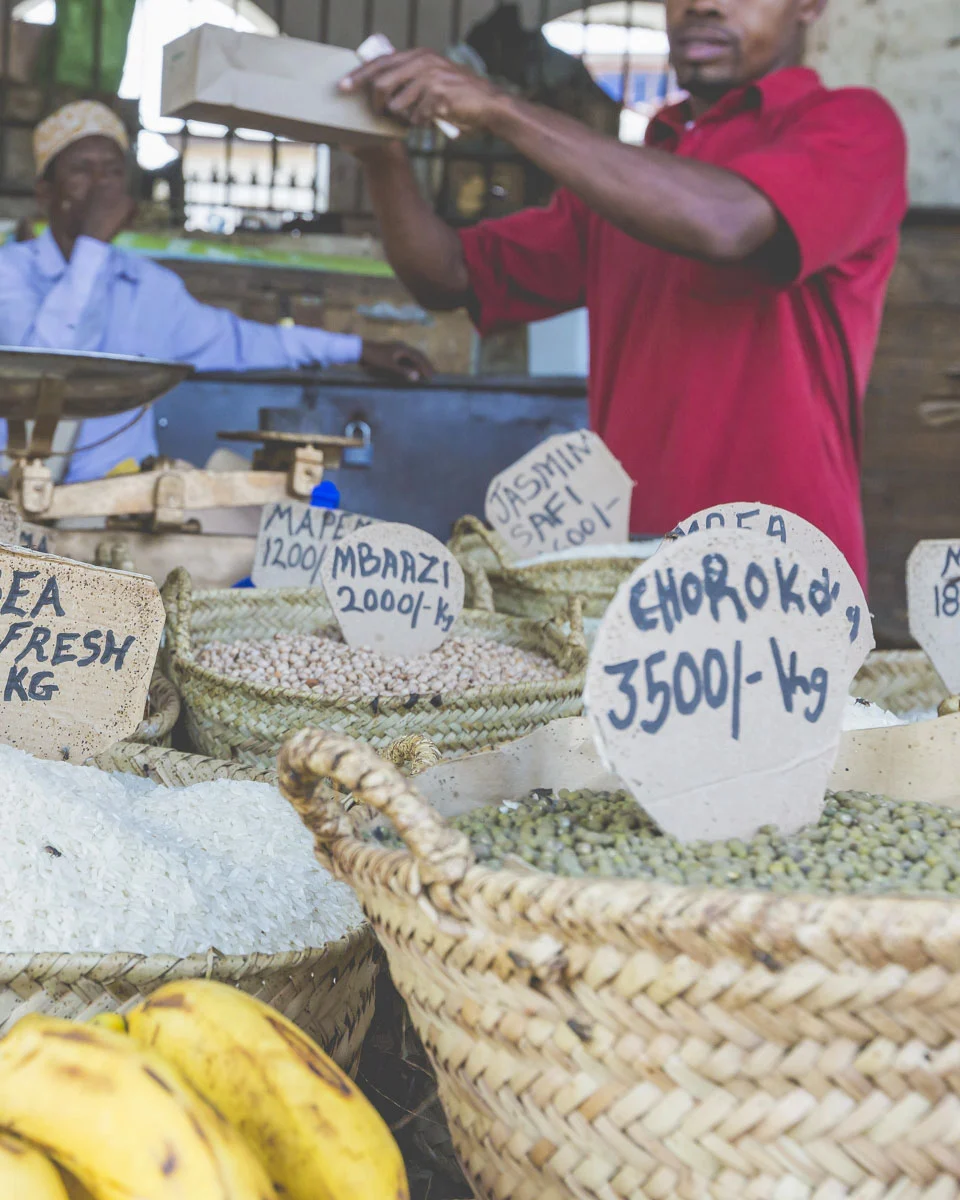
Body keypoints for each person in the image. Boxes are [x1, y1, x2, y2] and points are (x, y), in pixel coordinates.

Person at [341, 0, 908, 588]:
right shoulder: (640, 170)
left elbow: (727, 222)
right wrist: (381, 155)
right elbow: (450, 275)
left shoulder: (852, 126)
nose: (702, 5)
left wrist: (502, 109)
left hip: (787, 569)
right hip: (634, 571)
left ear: (811, 6)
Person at [0, 100, 432, 483]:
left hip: (112, 501)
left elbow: (245, 341)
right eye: (82, 170)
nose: (102, 185)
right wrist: (93, 246)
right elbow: (44, 368)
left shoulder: (153, 288)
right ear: (45, 194)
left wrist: (357, 349)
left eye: (114, 171)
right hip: (13, 500)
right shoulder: (10, 274)